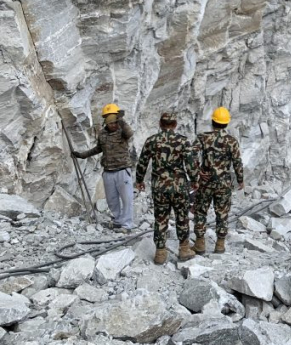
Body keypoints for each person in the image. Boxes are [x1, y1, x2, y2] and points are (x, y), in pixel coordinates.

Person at [135, 112, 197, 264]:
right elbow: (190, 164)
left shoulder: (151, 141)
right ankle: (184, 249)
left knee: (161, 219)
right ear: (175, 125)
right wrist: (195, 180)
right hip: (179, 187)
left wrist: (139, 180)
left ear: (160, 124)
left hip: (159, 187)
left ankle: (160, 253)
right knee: (182, 218)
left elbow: (142, 162)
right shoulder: (183, 141)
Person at [73, 103, 135, 233]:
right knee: (112, 199)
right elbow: (98, 149)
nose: (113, 125)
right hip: (108, 172)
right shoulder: (102, 134)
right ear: (106, 122)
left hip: (123, 170)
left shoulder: (122, 132)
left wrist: (121, 120)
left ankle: (127, 225)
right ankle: (118, 222)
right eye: (110, 122)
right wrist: (82, 155)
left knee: (127, 199)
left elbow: (130, 133)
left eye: (115, 122)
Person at [193, 107, 244, 255]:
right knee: (222, 213)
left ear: (212, 121)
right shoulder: (232, 141)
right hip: (224, 183)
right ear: (226, 123)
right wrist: (240, 180)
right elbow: (237, 163)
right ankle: (220, 245)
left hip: (206, 182)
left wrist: (198, 171)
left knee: (201, 211)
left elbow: (191, 154)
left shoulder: (203, 137)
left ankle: (200, 244)